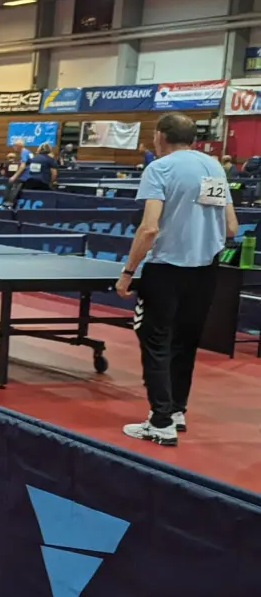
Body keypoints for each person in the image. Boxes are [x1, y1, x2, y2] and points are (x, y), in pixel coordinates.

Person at [116, 114, 237, 446]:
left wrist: (127, 272)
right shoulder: (215, 167)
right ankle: (176, 411)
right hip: (205, 272)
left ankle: (160, 422)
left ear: (160, 137)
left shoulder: (159, 168)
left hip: (167, 271)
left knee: (155, 342)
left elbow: (149, 227)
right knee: (185, 341)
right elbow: (231, 227)